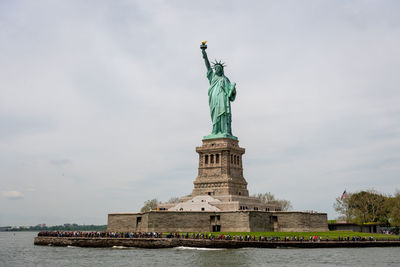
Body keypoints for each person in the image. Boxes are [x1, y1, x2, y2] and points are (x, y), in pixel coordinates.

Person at [201, 46, 236, 137]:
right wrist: (204, 53)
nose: (217, 70)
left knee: (223, 114)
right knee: (215, 115)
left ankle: (225, 130)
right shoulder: (212, 76)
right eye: (216, 68)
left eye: (219, 68)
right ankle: (215, 131)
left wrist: (232, 90)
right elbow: (207, 65)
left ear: (222, 70)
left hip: (223, 100)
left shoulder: (225, 79)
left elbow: (231, 93)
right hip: (214, 99)